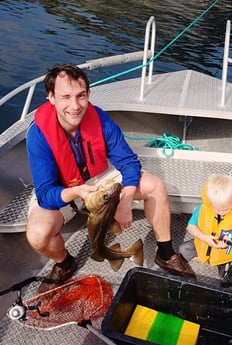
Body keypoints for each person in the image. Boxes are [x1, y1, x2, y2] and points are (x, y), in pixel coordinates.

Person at [26, 63, 195, 293]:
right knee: (37, 234)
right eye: (65, 97)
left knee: (155, 186)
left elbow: (128, 163)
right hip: (64, 189)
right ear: (51, 97)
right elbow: (45, 195)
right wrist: (77, 192)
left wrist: (124, 201)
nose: (75, 106)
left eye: (81, 96)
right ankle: (65, 263)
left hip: (100, 179)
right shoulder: (38, 135)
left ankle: (165, 253)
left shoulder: (100, 119)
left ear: (88, 94)